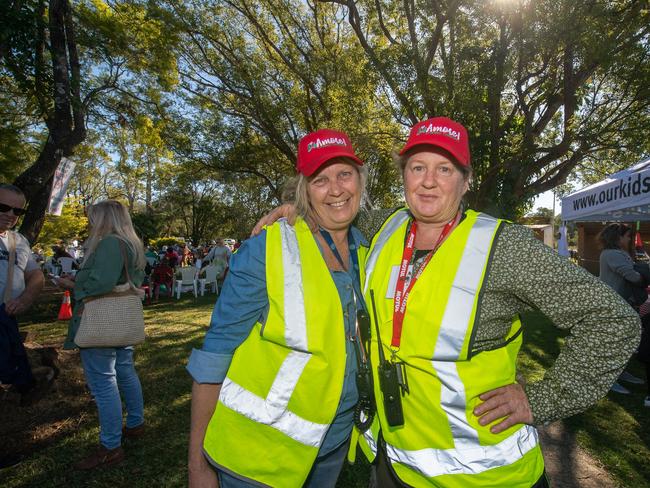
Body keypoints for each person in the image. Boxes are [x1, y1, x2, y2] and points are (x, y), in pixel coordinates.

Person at [255, 117, 641, 487]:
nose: (427, 182)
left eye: (444, 169)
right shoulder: (385, 228)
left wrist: (543, 398)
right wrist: (299, 210)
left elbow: (613, 320)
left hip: (486, 476)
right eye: (417, 167)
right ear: (403, 174)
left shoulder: (504, 247)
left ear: (466, 180)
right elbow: (337, 208)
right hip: (395, 465)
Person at [187, 129, 370, 487]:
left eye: (344, 174)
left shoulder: (370, 251)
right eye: (320, 180)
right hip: (259, 456)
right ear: (303, 189)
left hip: (330, 446)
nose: (335, 189)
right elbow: (215, 353)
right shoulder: (266, 250)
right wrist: (197, 466)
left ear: (360, 181)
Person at [57, 200, 146, 470]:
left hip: (101, 317)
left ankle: (110, 445)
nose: (90, 222)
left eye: (93, 218)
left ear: (104, 219)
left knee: (103, 383)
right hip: (124, 316)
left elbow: (102, 282)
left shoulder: (109, 242)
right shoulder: (132, 243)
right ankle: (135, 423)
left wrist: (74, 285)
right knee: (125, 370)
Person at [0, 183, 48, 406]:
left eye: (17, 211)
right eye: (3, 207)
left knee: (12, 358)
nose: (10, 215)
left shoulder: (18, 241)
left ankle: (23, 388)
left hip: (6, 313)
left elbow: (36, 276)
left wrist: (25, 299)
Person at [598, 223, 650, 399]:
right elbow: (633, 277)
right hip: (613, 306)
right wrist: (645, 276)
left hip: (620, 304)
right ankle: (609, 380)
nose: (629, 239)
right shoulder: (613, 254)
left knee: (623, 342)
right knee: (613, 343)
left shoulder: (616, 253)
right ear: (617, 237)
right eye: (627, 236)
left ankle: (621, 372)